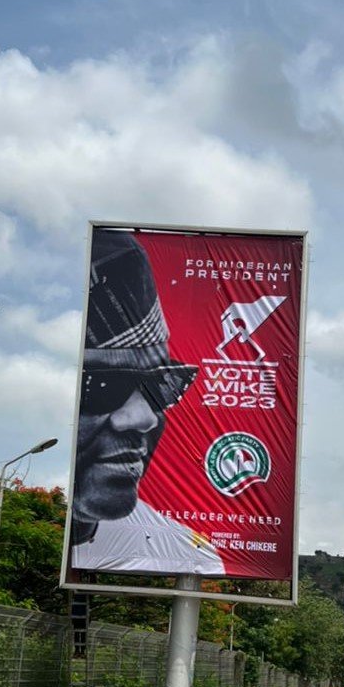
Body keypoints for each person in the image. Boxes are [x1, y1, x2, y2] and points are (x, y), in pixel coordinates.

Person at [69, 229, 224, 575]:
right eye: (105, 385)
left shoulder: (186, 553)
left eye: (162, 385)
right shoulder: (13, 518)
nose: (144, 418)